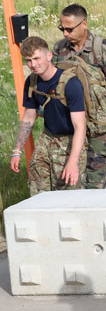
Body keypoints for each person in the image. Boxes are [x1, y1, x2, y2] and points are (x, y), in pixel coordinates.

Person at [53, 3, 106, 189]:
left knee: (93, 181)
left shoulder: (102, 48)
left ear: (84, 25)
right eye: (62, 29)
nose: (65, 34)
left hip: (101, 126)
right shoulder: (60, 49)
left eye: (69, 29)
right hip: (74, 122)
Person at [11, 36, 87, 194]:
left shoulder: (70, 84)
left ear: (49, 56)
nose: (33, 64)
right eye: (29, 60)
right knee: (38, 190)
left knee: (68, 193)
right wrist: (17, 151)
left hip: (69, 140)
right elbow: (28, 118)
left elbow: (80, 126)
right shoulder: (32, 82)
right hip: (47, 138)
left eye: (37, 58)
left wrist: (72, 161)